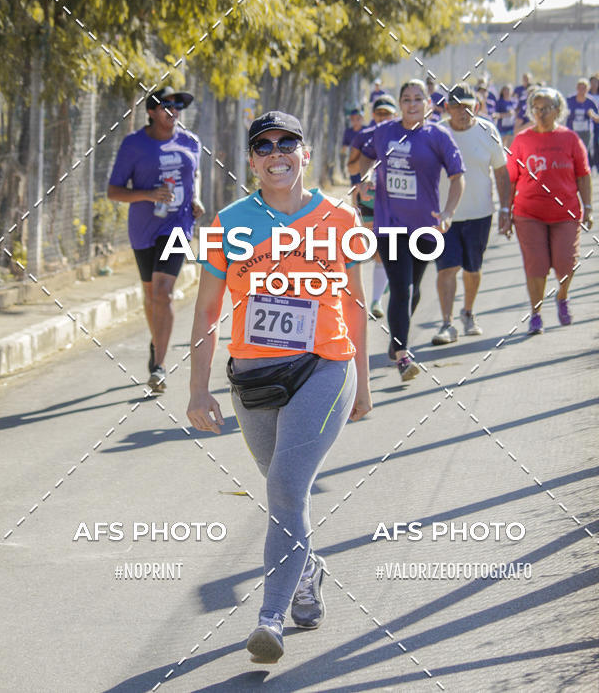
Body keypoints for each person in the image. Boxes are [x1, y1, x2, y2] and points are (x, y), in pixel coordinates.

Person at [186, 111, 371, 664]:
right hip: (254, 379)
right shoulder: (230, 222)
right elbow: (206, 311)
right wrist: (197, 390)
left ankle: (269, 620)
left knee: (287, 488)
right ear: (251, 161)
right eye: (263, 146)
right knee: (285, 498)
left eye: (287, 142)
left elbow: (355, 304)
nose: (276, 153)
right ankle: (307, 570)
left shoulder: (340, 218)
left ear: (305, 153)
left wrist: (364, 383)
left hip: (324, 368)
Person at [358, 79, 465, 380]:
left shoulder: (438, 136)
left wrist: (448, 212)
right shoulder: (384, 132)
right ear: (400, 104)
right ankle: (403, 357)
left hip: (425, 226)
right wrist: (366, 178)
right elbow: (365, 155)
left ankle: (396, 341)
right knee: (401, 288)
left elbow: (458, 177)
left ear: (428, 104)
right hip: (389, 224)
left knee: (413, 289)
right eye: (406, 99)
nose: (412, 104)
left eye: (418, 99)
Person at [108, 87, 204, 391]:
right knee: (151, 294)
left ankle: (159, 366)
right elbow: (114, 191)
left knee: (164, 293)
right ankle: (157, 342)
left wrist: (196, 198)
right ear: (151, 111)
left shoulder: (190, 142)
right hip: (143, 228)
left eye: (178, 106)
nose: (173, 110)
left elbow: (195, 174)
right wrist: (149, 194)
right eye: (166, 105)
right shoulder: (134, 144)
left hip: (178, 225)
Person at [506, 87, 593, 334]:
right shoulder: (522, 140)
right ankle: (536, 313)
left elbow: (583, 175)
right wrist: (505, 211)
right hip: (529, 213)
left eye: (546, 109)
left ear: (558, 110)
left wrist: (588, 207)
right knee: (536, 265)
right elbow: (511, 179)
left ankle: (562, 296)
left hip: (565, 213)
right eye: (536, 109)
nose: (540, 113)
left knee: (566, 263)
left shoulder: (570, 139)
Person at [432, 85, 511, 343]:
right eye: (456, 106)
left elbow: (501, 172)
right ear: (447, 108)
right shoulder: (437, 132)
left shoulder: (488, 131)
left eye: (468, 106)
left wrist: (506, 209)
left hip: (480, 213)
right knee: (447, 268)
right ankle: (447, 324)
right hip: (444, 215)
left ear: (476, 106)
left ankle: (467, 312)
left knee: (472, 269)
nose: (462, 112)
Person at [347, 94, 398, 317]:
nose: (383, 117)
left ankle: (376, 301)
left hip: (394, 198)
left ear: (395, 114)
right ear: (373, 115)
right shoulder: (364, 136)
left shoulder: (402, 136)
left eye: (387, 113)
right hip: (368, 197)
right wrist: (365, 164)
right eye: (379, 113)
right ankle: (382, 281)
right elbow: (351, 168)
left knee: (385, 247)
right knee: (373, 246)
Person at [566, 77, 599, 157]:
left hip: (585, 132)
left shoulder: (590, 102)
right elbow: (563, 112)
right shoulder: (570, 100)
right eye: (580, 88)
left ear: (588, 89)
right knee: (572, 151)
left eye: (584, 88)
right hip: (572, 131)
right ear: (577, 88)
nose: (581, 90)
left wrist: (592, 115)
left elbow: (597, 119)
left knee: (583, 152)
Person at [492, 83, 517, 148]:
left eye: (508, 90)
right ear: (502, 91)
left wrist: (514, 113)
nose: (507, 92)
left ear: (512, 92)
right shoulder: (499, 102)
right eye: (505, 90)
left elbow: (517, 113)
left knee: (510, 149)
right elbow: (494, 115)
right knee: (501, 148)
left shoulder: (514, 102)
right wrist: (506, 114)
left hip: (511, 129)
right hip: (502, 129)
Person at [588, 74, 599, 171]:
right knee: (592, 145)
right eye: (592, 82)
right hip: (591, 124)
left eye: (596, 82)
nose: (594, 84)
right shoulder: (587, 95)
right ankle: (591, 165)